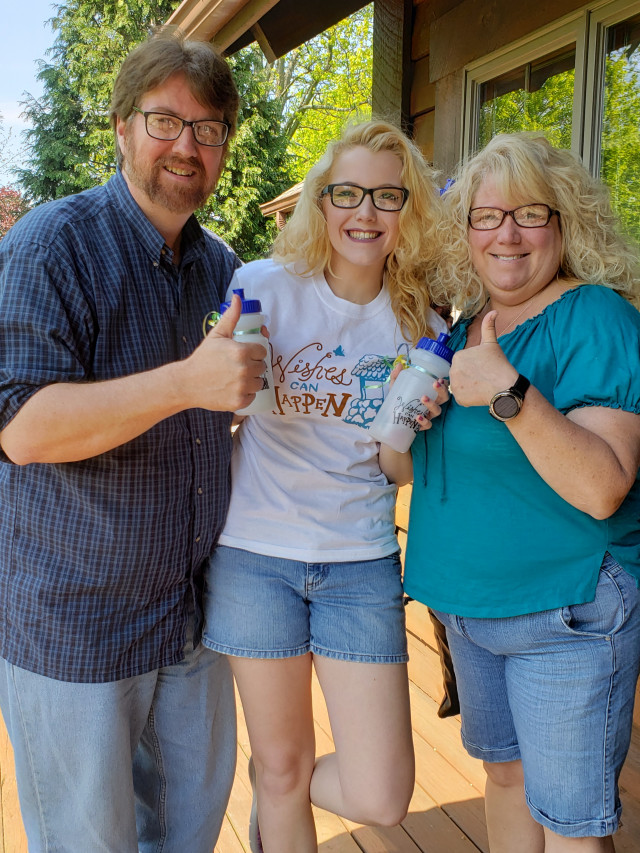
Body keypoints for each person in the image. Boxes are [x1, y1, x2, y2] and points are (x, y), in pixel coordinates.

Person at [0, 28, 268, 853]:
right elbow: (21, 430)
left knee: (186, 836)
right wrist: (187, 382)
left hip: (189, 619)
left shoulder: (220, 264)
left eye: (208, 128)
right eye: (165, 120)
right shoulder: (51, 243)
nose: (187, 145)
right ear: (122, 127)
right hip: (76, 628)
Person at [381, 132, 640, 853]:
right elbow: (412, 472)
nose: (507, 233)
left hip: (564, 612)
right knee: (505, 781)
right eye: (486, 216)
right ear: (465, 233)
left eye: (530, 212)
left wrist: (509, 392)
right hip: (469, 609)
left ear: (565, 223)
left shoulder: (597, 317)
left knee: (571, 824)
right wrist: (413, 423)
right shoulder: (466, 331)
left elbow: (602, 486)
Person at [201, 119, 448, 852]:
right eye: (347, 193)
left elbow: (396, 469)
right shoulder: (260, 288)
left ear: (408, 211)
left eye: (385, 196)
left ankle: (277, 778)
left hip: (359, 559)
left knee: (382, 794)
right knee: (282, 772)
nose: (365, 213)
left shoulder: (420, 322)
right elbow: (224, 412)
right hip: (254, 553)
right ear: (321, 201)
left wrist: (407, 433)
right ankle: (278, 782)